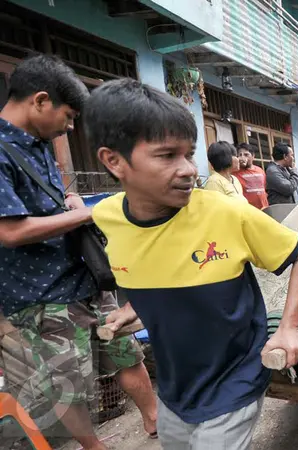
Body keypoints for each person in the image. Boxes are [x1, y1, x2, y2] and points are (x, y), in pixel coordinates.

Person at [85, 79, 298, 449]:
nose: (188, 169)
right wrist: (134, 307)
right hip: (176, 386)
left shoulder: (226, 212)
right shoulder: (108, 217)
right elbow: (149, 265)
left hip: (235, 373)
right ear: (114, 161)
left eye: (189, 154)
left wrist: (289, 328)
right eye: (166, 156)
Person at [0, 55, 157, 450]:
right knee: (65, 383)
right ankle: (94, 447)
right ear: (39, 101)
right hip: (43, 294)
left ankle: (155, 419)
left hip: (84, 275)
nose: (69, 127)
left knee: (124, 348)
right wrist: (90, 212)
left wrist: (69, 202)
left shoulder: (36, 145)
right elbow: (10, 231)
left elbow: (43, 205)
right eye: (68, 116)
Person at [234, 143, 269, 210]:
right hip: (248, 210)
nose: (243, 157)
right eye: (240, 155)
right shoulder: (235, 173)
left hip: (264, 209)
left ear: (253, 156)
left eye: (246, 155)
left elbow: (264, 189)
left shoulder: (260, 170)